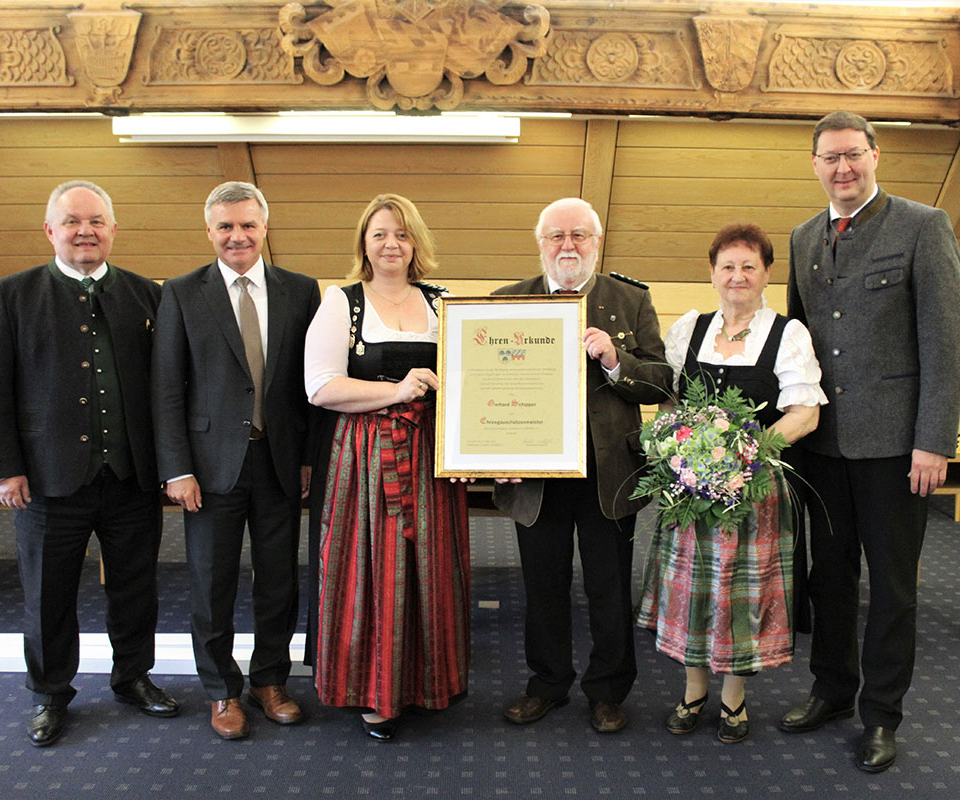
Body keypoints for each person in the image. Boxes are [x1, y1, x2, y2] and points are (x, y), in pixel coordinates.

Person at [779, 111, 960, 772]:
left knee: (892, 587)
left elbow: (946, 346)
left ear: (875, 154)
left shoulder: (923, 226)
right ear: (816, 165)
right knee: (828, 579)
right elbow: (797, 348)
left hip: (896, 450)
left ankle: (882, 714)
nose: (843, 168)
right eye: (830, 158)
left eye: (854, 155)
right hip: (822, 449)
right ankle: (831, 691)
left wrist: (934, 440)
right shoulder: (803, 237)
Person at [0, 180, 178, 747]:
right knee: (47, 595)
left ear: (113, 229)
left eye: (97, 221)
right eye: (73, 221)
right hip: (46, 480)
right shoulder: (11, 294)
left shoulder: (145, 294)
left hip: (130, 476)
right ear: (50, 230)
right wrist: (3, 467)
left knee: (135, 589)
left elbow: (168, 385)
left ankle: (133, 677)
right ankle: (50, 694)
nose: (85, 231)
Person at [636, 223, 826, 744]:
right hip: (692, 487)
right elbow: (671, 402)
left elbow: (805, 413)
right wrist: (677, 446)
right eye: (727, 266)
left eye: (749, 266)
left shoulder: (788, 334)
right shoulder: (690, 328)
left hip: (756, 489)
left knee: (741, 596)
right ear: (712, 273)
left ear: (767, 273)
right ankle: (693, 690)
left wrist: (746, 454)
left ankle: (734, 699)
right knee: (692, 594)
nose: (737, 276)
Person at [494, 197, 672, 734]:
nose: (567, 246)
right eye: (556, 236)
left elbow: (662, 380)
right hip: (536, 474)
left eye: (579, 236)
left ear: (597, 242)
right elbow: (482, 389)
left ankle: (608, 690)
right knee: (542, 585)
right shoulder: (505, 303)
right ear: (540, 243)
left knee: (608, 586)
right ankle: (546, 684)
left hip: (608, 473)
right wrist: (489, 450)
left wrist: (617, 361)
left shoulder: (630, 299)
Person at [151, 181, 320, 740]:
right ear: (209, 231)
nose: (237, 235)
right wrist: (176, 468)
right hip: (208, 468)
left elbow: (309, 385)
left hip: (279, 462)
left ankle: (269, 680)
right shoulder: (180, 292)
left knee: (278, 581)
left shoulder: (301, 291)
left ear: (265, 227)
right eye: (225, 226)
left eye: (248, 225)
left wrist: (309, 458)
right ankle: (221, 689)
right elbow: (166, 388)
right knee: (211, 582)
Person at [304, 193, 470, 742]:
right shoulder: (341, 302)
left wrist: (476, 444)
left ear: (415, 242)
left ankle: (425, 682)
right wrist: (395, 389)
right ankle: (376, 691)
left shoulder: (445, 303)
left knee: (428, 565)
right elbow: (321, 387)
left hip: (431, 455)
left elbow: (472, 383)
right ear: (364, 244)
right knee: (373, 569)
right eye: (379, 234)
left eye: (400, 233)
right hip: (365, 457)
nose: (391, 244)